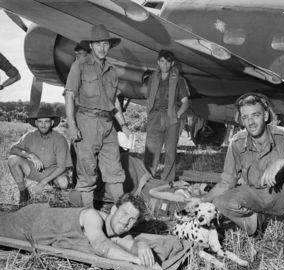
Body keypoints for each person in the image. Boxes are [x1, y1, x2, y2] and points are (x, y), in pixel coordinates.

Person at [185, 93, 284, 258]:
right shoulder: (237, 142)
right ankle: (254, 224)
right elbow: (226, 182)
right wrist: (202, 200)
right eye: (245, 117)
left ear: (266, 116)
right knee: (221, 201)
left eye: (256, 115)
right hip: (255, 195)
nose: (251, 122)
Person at [0, 194, 189, 270]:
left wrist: (142, 246)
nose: (126, 221)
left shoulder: (118, 232)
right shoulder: (93, 216)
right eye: (124, 214)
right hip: (29, 221)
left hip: (36, 226)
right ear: (113, 211)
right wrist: (137, 260)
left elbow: (131, 243)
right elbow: (101, 245)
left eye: (132, 220)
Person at [64, 24, 131, 207]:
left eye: (106, 44)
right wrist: (71, 124)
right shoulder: (79, 66)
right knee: (87, 172)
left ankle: (122, 212)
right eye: (98, 44)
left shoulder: (112, 70)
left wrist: (123, 126)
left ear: (110, 46)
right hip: (86, 122)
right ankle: (88, 215)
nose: (102, 48)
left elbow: (114, 101)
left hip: (108, 125)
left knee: (115, 171)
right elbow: (69, 94)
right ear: (91, 46)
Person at [8, 104, 72, 204]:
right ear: (36, 123)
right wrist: (30, 155)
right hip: (35, 170)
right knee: (13, 159)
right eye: (40, 121)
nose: (43, 125)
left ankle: (55, 193)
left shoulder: (60, 139)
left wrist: (43, 182)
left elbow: (62, 167)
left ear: (51, 123)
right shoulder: (30, 135)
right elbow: (13, 149)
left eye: (46, 121)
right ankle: (23, 192)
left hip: (54, 172)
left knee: (63, 183)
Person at [144, 49, 190, 182]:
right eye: (162, 61)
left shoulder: (179, 80)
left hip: (171, 118)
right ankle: (147, 181)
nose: (164, 65)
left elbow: (185, 102)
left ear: (172, 63)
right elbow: (148, 100)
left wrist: (177, 115)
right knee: (151, 152)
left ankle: (167, 182)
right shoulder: (152, 79)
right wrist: (150, 116)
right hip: (155, 117)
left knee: (170, 153)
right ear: (158, 62)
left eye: (167, 62)